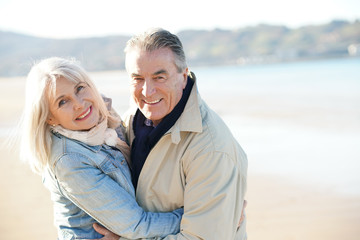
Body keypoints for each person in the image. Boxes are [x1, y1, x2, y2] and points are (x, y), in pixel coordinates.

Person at [96, 28, 248, 240]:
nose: (147, 91)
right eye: (138, 78)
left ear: (183, 76)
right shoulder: (132, 119)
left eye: (159, 77)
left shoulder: (211, 148)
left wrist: (123, 238)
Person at [19, 57, 184, 240]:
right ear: (50, 118)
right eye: (62, 102)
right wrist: (199, 215)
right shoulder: (69, 160)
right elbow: (137, 225)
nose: (79, 104)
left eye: (79, 88)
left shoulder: (104, 116)